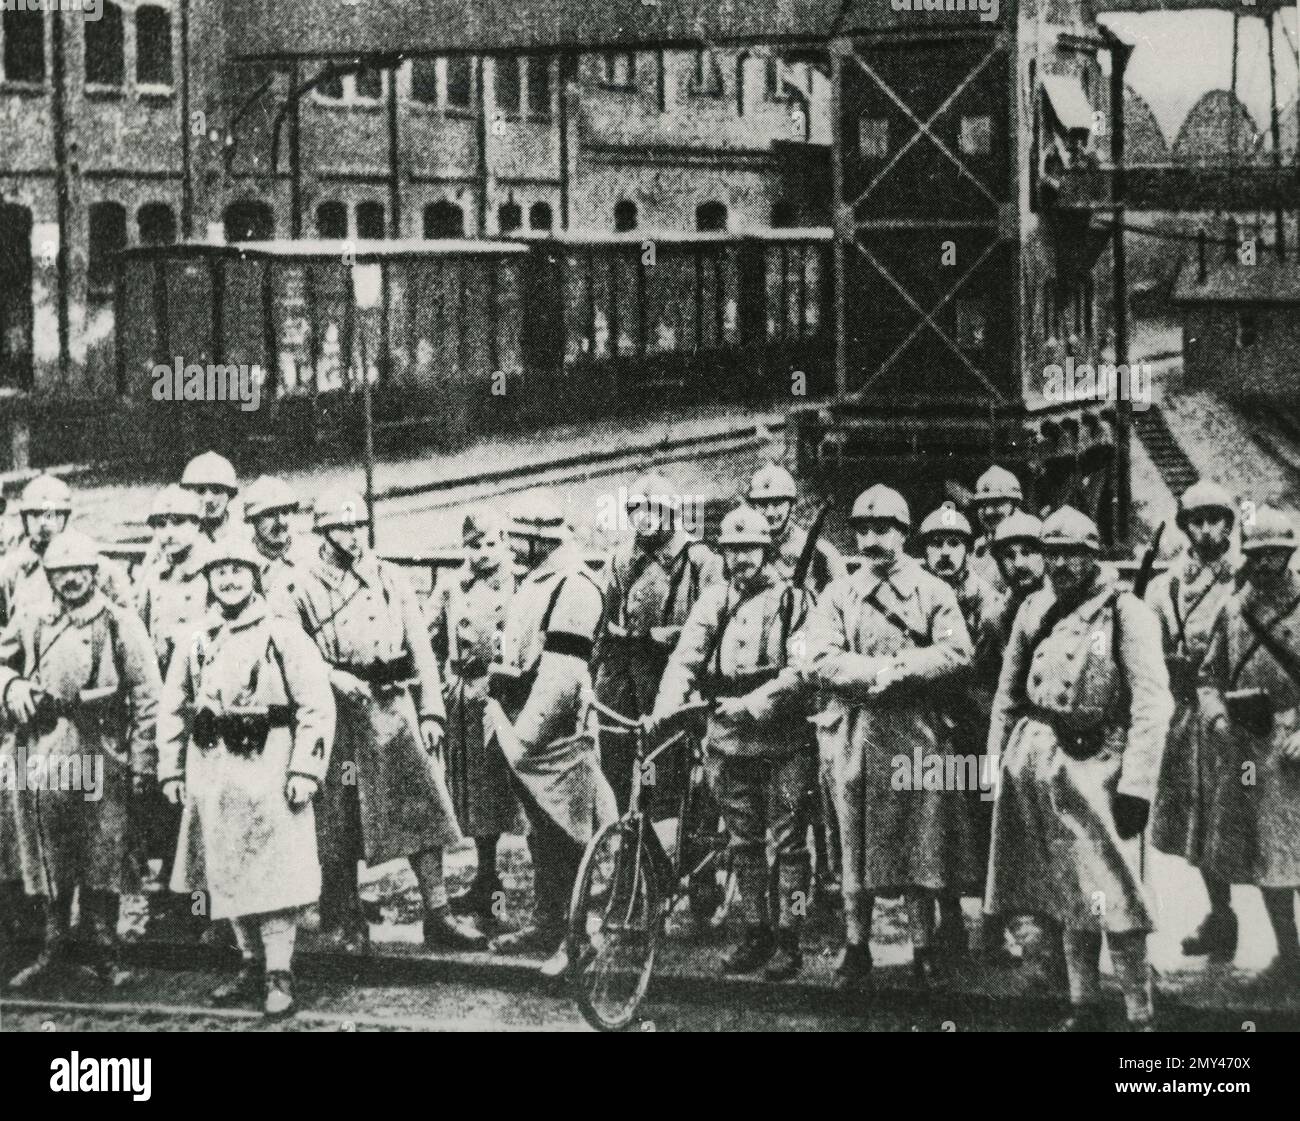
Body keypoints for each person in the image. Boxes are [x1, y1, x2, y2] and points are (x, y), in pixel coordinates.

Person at [985, 506, 1173, 1031]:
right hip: (1037, 761)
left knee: (1114, 892)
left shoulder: (1126, 612)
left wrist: (1136, 785)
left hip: (1099, 765)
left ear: (1093, 557)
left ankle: (1140, 1013)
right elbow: (1008, 694)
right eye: (1054, 553)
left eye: (1074, 554)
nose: (1062, 564)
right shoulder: (1033, 609)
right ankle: (1083, 1005)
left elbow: (1153, 704)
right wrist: (993, 763)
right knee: (1067, 892)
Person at [287, 490, 483, 953]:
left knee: (421, 808)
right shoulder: (300, 586)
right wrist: (333, 676)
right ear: (322, 532)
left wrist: (432, 710)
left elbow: (420, 646)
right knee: (339, 817)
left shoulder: (389, 577)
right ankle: (347, 919)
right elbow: (291, 652)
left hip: (392, 708)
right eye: (342, 528)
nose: (353, 537)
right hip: (336, 715)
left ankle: (438, 914)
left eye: (358, 527)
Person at [803, 485, 975, 989]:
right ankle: (858, 947)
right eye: (863, 529)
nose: (872, 539)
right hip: (855, 731)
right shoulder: (840, 592)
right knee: (854, 844)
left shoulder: (933, 591)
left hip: (916, 730)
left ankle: (923, 949)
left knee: (920, 845)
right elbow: (818, 656)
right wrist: (870, 672)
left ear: (903, 533)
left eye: (884, 529)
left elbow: (956, 652)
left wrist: (900, 669)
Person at [158, 537, 335, 1018]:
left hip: (270, 767)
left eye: (238, 569)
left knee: (274, 873)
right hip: (212, 772)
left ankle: (280, 972)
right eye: (220, 571)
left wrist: (306, 769)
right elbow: (173, 707)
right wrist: (171, 768)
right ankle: (250, 963)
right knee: (225, 870)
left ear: (254, 576)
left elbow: (317, 705)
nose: (230, 579)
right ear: (209, 580)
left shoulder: (282, 632)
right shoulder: (196, 638)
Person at [653, 505, 810, 979]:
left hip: (783, 737)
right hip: (726, 737)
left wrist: (755, 703)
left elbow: (803, 670)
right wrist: (666, 705)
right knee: (743, 842)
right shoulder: (714, 601)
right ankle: (755, 930)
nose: (742, 559)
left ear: (767, 551)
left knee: (789, 844)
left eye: (751, 549)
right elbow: (686, 659)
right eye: (733, 550)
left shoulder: (795, 601)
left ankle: (791, 936)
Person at [2, 530, 161, 991]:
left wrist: (143, 761)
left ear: (95, 572)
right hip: (44, 751)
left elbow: (148, 696)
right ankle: (52, 949)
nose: (71, 580)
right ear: (49, 576)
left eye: (79, 570)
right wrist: (10, 688)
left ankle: (104, 950)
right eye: (61, 571)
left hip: (101, 748)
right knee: (50, 852)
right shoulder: (33, 620)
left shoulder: (118, 622)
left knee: (102, 851)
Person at [485, 493, 608, 976]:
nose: (512, 546)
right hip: (522, 725)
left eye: (519, 537)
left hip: (554, 734)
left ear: (541, 540)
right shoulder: (537, 578)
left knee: (572, 832)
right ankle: (547, 921)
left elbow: (560, 678)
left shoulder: (575, 587)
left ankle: (580, 938)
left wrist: (522, 740)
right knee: (542, 833)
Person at [1196, 503, 1300, 987]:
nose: (1263, 565)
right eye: (1256, 555)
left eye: (1273, 555)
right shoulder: (1233, 609)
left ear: (1289, 555)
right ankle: (1289, 953)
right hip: (1248, 749)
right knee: (1265, 855)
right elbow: (1208, 675)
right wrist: (1215, 714)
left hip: (1292, 743)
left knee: (1292, 852)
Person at [1146, 481, 1241, 961]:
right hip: (1185, 713)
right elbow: (1147, 640)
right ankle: (1221, 916)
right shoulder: (1167, 584)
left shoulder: (1243, 580)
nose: (1206, 530)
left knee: (1246, 820)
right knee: (1199, 822)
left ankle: (1282, 933)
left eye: (1215, 520)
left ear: (1229, 524)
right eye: (1196, 521)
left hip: (1234, 714)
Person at [746, 462, 847, 907]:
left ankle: (824, 877)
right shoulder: (746, 546)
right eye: (762, 504)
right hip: (758, 674)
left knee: (813, 785)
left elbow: (842, 604)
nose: (770, 513)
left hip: (806, 679)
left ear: (791, 505)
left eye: (778, 503)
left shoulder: (819, 552)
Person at [596, 472, 721, 810]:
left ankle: (668, 838)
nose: (645, 519)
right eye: (637, 510)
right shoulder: (621, 560)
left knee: (665, 769)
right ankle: (629, 835)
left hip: (674, 680)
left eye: (654, 510)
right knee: (620, 763)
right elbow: (602, 617)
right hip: (625, 680)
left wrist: (660, 636)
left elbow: (716, 624)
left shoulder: (700, 561)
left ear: (671, 514)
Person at [916, 502, 1001, 959]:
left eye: (954, 544)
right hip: (929, 722)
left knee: (985, 822)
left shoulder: (988, 603)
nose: (945, 553)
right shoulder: (917, 593)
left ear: (968, 550)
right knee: (936, 826)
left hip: (975, 723)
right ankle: (946, 920)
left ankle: (993, 924)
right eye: (936, 544)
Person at [429, 508, 520, 930]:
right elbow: (427, 630)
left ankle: (496, 891)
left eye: (489, 544)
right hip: (461, 697)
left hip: (498, 694)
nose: (482, 553)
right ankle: (485, 877)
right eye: (473, 545)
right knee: (470, 792)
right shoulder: (452, 585)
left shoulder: (517, 584)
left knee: (498, 791)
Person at [134, 484, 208, 901]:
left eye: (178, 522)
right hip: (167, 701)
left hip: (206, 703)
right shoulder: (154, 577)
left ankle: (204, 899)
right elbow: (140, 633)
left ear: (197, 524)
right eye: (160, 524)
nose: (168, 532)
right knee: (169, 790)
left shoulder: (219, 569)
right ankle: (174, 890)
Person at [242, 475, 314, 606]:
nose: (280, 522)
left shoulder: (310, 559)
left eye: (285, 512)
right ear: (253, 519)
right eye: (270, 514)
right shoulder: (241, 562)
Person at [969, 465, 1024, 593]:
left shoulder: (1029, 539)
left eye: (996, 503)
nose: (988, 512)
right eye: (982, 505)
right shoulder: (979, 548)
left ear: (1014, 504)